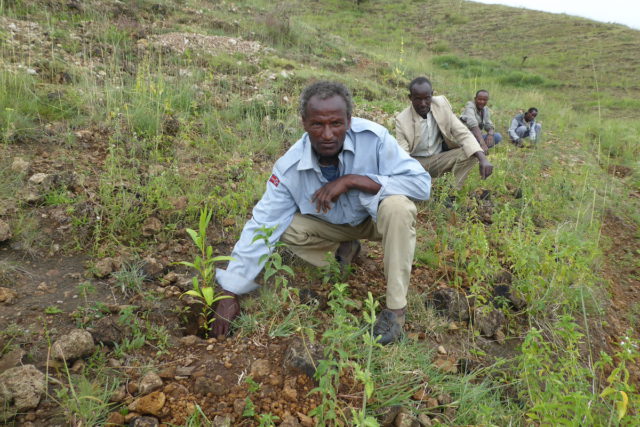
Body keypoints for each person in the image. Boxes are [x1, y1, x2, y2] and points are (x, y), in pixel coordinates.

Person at [212, 81, 431, 344]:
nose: (327, 134)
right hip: (333, 226)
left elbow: (421, 184)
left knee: (399, 207)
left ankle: (395, 312)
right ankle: (343, 251)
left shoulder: (374, 139)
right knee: (285, 228)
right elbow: (262, 225)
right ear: (304, 123)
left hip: (375, 220)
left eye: (336, 124)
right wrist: (229, 292)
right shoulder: (289, 168)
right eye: (318, 124)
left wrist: (352, 180)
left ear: (349, 121)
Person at [395, 77, 493, 191]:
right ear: (410, 98)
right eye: (417, 99)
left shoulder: (441, 105)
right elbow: (403, 156)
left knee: (471, 153)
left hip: (439, 159)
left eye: (427, 98)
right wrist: (414, 176)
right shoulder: (402, 120)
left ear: (432, 95)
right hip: (417, 162)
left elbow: (463, 133)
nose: (423, 104)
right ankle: (431, 185)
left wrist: (483, 158)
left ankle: (450, 192)